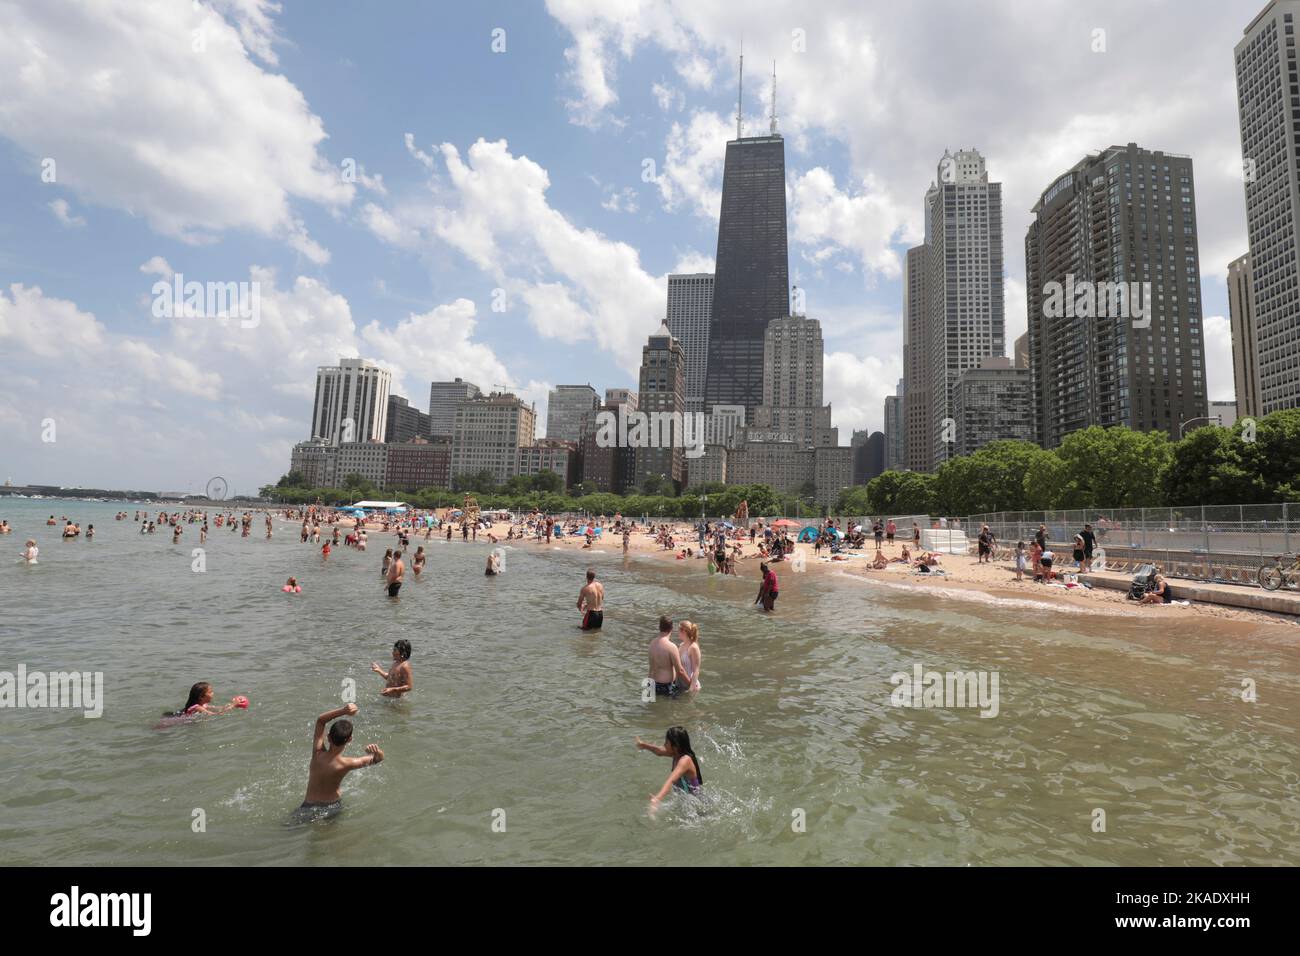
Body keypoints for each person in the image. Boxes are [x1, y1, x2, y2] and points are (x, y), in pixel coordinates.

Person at [297, 703, 384, 820]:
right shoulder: (347, 763)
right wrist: (377, 752)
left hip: (307, 806)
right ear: (350, 740)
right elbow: (377, 759)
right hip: (331, 807)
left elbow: (321, 721)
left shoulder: (317, 754)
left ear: (328, 737)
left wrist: (343, 711)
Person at [636, 726, 703, 811]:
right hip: (686, 801)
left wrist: (657, 799)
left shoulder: (685, 761)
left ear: (676, 746)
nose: (664, 745)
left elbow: (671, 780)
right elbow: (659, 751)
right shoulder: (676, 754)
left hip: (697, 806)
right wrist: (643, 745)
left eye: (666, 742)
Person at [648, 615, 691, 697]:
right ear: (671, 628)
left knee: (651, 709)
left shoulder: (652, 643)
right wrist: (690, 684)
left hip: (649, 683)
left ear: (659, 627)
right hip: (665, 687)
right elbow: (680, 671)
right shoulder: (671, 647)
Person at [168, 681, 241, 717]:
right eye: (210, 692)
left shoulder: (204, 705)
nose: (213, 693)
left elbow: (219, 708)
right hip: (176, 721)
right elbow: (216, 715)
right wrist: (233, 706)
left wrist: (231, 704)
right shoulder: (198, 707)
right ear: (201, 697)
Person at [676, 620, 701, 693]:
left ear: (684, 631)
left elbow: (696, 670)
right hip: (679, 684)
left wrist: (691, 689)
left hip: (691, 685)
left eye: (678, 630)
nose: (677, 632)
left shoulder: (693, 647)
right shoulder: (681, 645)